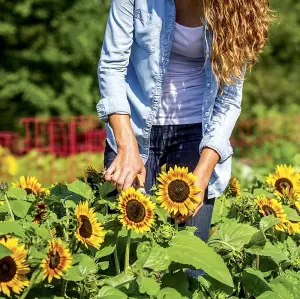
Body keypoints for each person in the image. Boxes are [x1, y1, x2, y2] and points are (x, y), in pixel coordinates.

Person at [97, 0, 271, 258]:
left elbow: (229, 100)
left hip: (197, 137)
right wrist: (126, 145)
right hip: (132, 130)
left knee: (190, 263)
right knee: (124, 255)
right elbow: (112, 66)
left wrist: (203, 173)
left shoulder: (235, 7)